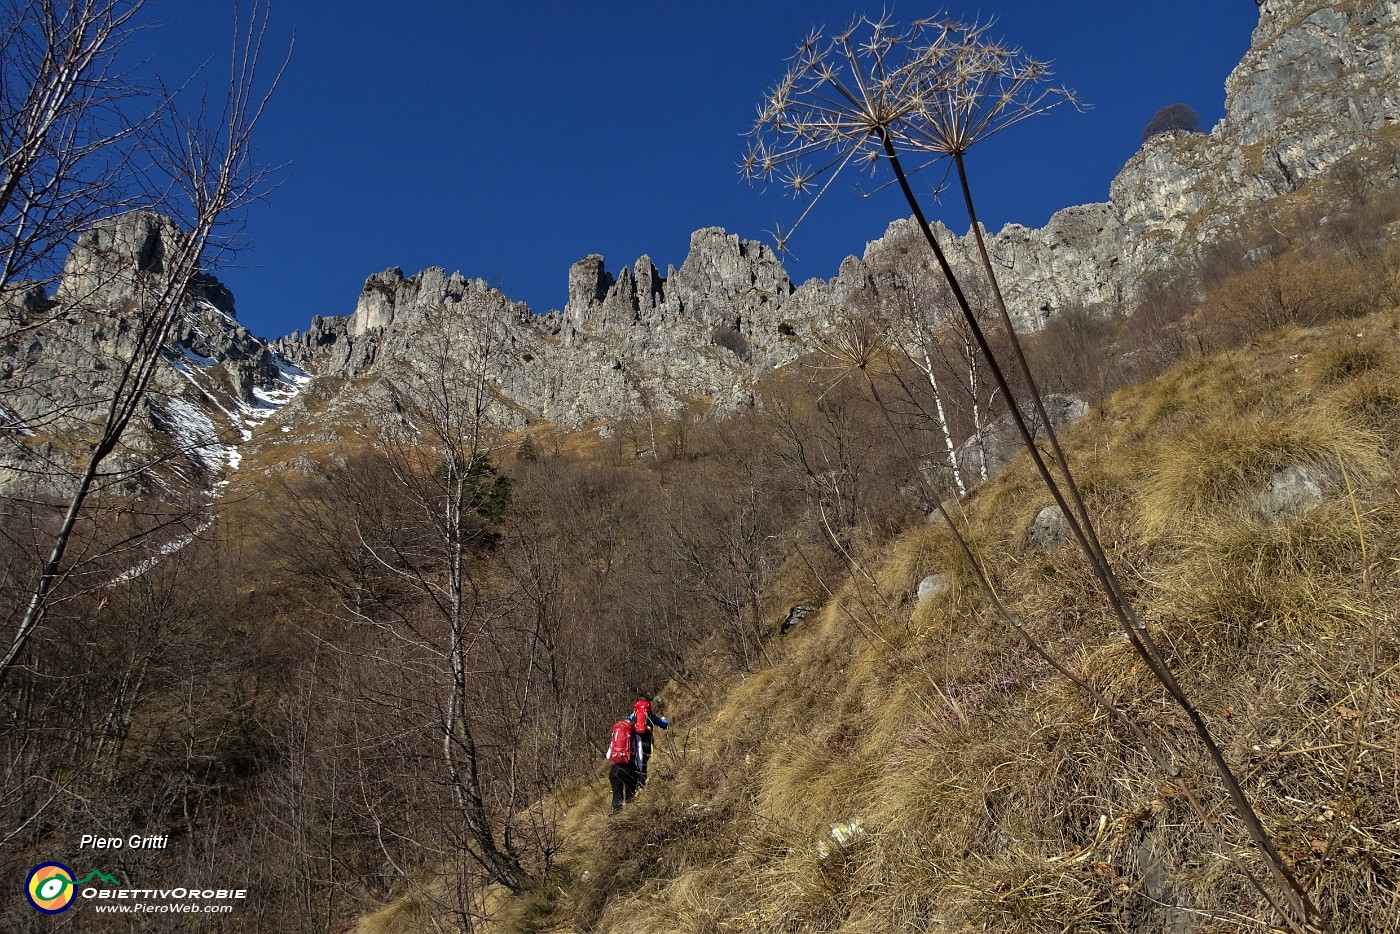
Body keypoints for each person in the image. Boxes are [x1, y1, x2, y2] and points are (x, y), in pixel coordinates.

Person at [627, 697, 669, 788]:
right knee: (644, 765)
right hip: (647, 743)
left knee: (635, 765)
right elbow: (664, 726)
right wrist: (665, 720)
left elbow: (626, 726)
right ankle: (641, 786)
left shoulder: (633, 715)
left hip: (635, 744)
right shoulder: (650, 715)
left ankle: (635, 787)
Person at [605, 718, 638, 812]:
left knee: (617, 797)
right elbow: (639, 755)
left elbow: (608, 756)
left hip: (614, 769)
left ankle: (616, 820)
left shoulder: (615, 737)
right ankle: (630, 816)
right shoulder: (635, 737)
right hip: (629, 768)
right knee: (630, 796)